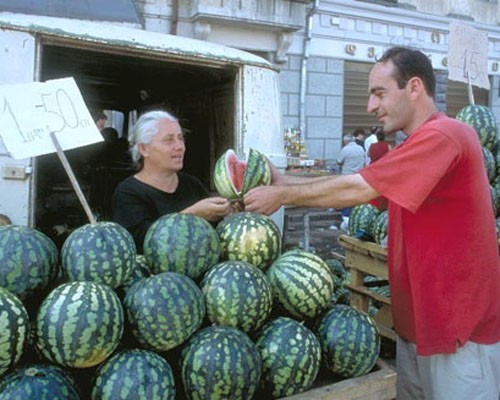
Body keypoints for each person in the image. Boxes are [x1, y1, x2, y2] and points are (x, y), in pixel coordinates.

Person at [244, 46, 500, 400]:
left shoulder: (446, 136)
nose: (370, 106)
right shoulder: (413, 147)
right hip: (418, 327)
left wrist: (283, 197)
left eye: (379, 93)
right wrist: (284, 183)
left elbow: (356, 185)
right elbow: (366, 190)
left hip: (457, 332)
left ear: (413, 88)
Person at [111, 110, 234, 253]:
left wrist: (229, 212)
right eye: (169, 140)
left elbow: (215, 232)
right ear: (144, 149)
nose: (179, 146)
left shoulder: (192, 184)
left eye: (180, 138)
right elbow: (139, 244)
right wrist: (192, 216)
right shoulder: (128, 193)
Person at [336, 133, 366, 230]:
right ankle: (355, 219)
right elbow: (365, 162)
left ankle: (345, 219)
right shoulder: (361, 149)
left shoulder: (345, 149)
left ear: (345, 141)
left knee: (346, 198)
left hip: (347, 177)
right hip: (359, 176)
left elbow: (339, 161)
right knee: (356, 198)